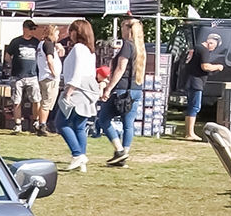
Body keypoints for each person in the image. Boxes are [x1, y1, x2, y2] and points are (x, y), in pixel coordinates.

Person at [95, 17, 147, 166]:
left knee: (103, 118)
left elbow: (120, 68)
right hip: (136, 89)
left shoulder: (127, 46)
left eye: (123, 26)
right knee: (128, 124)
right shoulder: (140, 47)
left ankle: (119, 151)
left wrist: (108, 88)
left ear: (128, 29)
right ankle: (124, 153)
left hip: (123, 89)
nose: (121, 29)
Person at [53, 18, 99, 171]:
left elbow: (77, 72)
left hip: (77, 89)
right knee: (79, 126)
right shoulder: (90, 50)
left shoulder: (79, 48)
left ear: (76, 32)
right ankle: (81, 160)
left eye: (71, 31)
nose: (69, 34)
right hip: (88, 90)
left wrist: (69, 91)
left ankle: (78, 154)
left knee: (61, 122)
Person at [182, 30, 224, 140]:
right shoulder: (203, 50)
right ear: (212, 43)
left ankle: (188, 132)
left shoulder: (196, 48)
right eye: (214, 46)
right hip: (196, 82)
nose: (213, 49)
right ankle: (190, 133)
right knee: (195, 107)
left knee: (192, 106)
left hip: (190, 80)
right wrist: (218, 67)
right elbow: (205, 66)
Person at [2, 19, 42, 134]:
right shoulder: (16, 42)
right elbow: (7, 55)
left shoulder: (36, 42)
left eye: (34, 29)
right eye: (31, 29)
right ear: (24, 29)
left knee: (36, 99)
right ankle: (18, 124)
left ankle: (35, 121)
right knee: (16, 101)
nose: (33, 31)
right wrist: (11, 65)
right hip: (17, 76)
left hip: (33, 75)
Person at [34, 23, 61, 137]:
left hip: (43, 76)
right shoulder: (48, 44)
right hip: (49, 77)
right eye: (57, 34)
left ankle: (41, 123)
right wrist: (54, 73)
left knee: (44, 101)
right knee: (47, 103)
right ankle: (42, 125)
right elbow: (49, 60)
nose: (58, 36)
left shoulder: (41, 44)